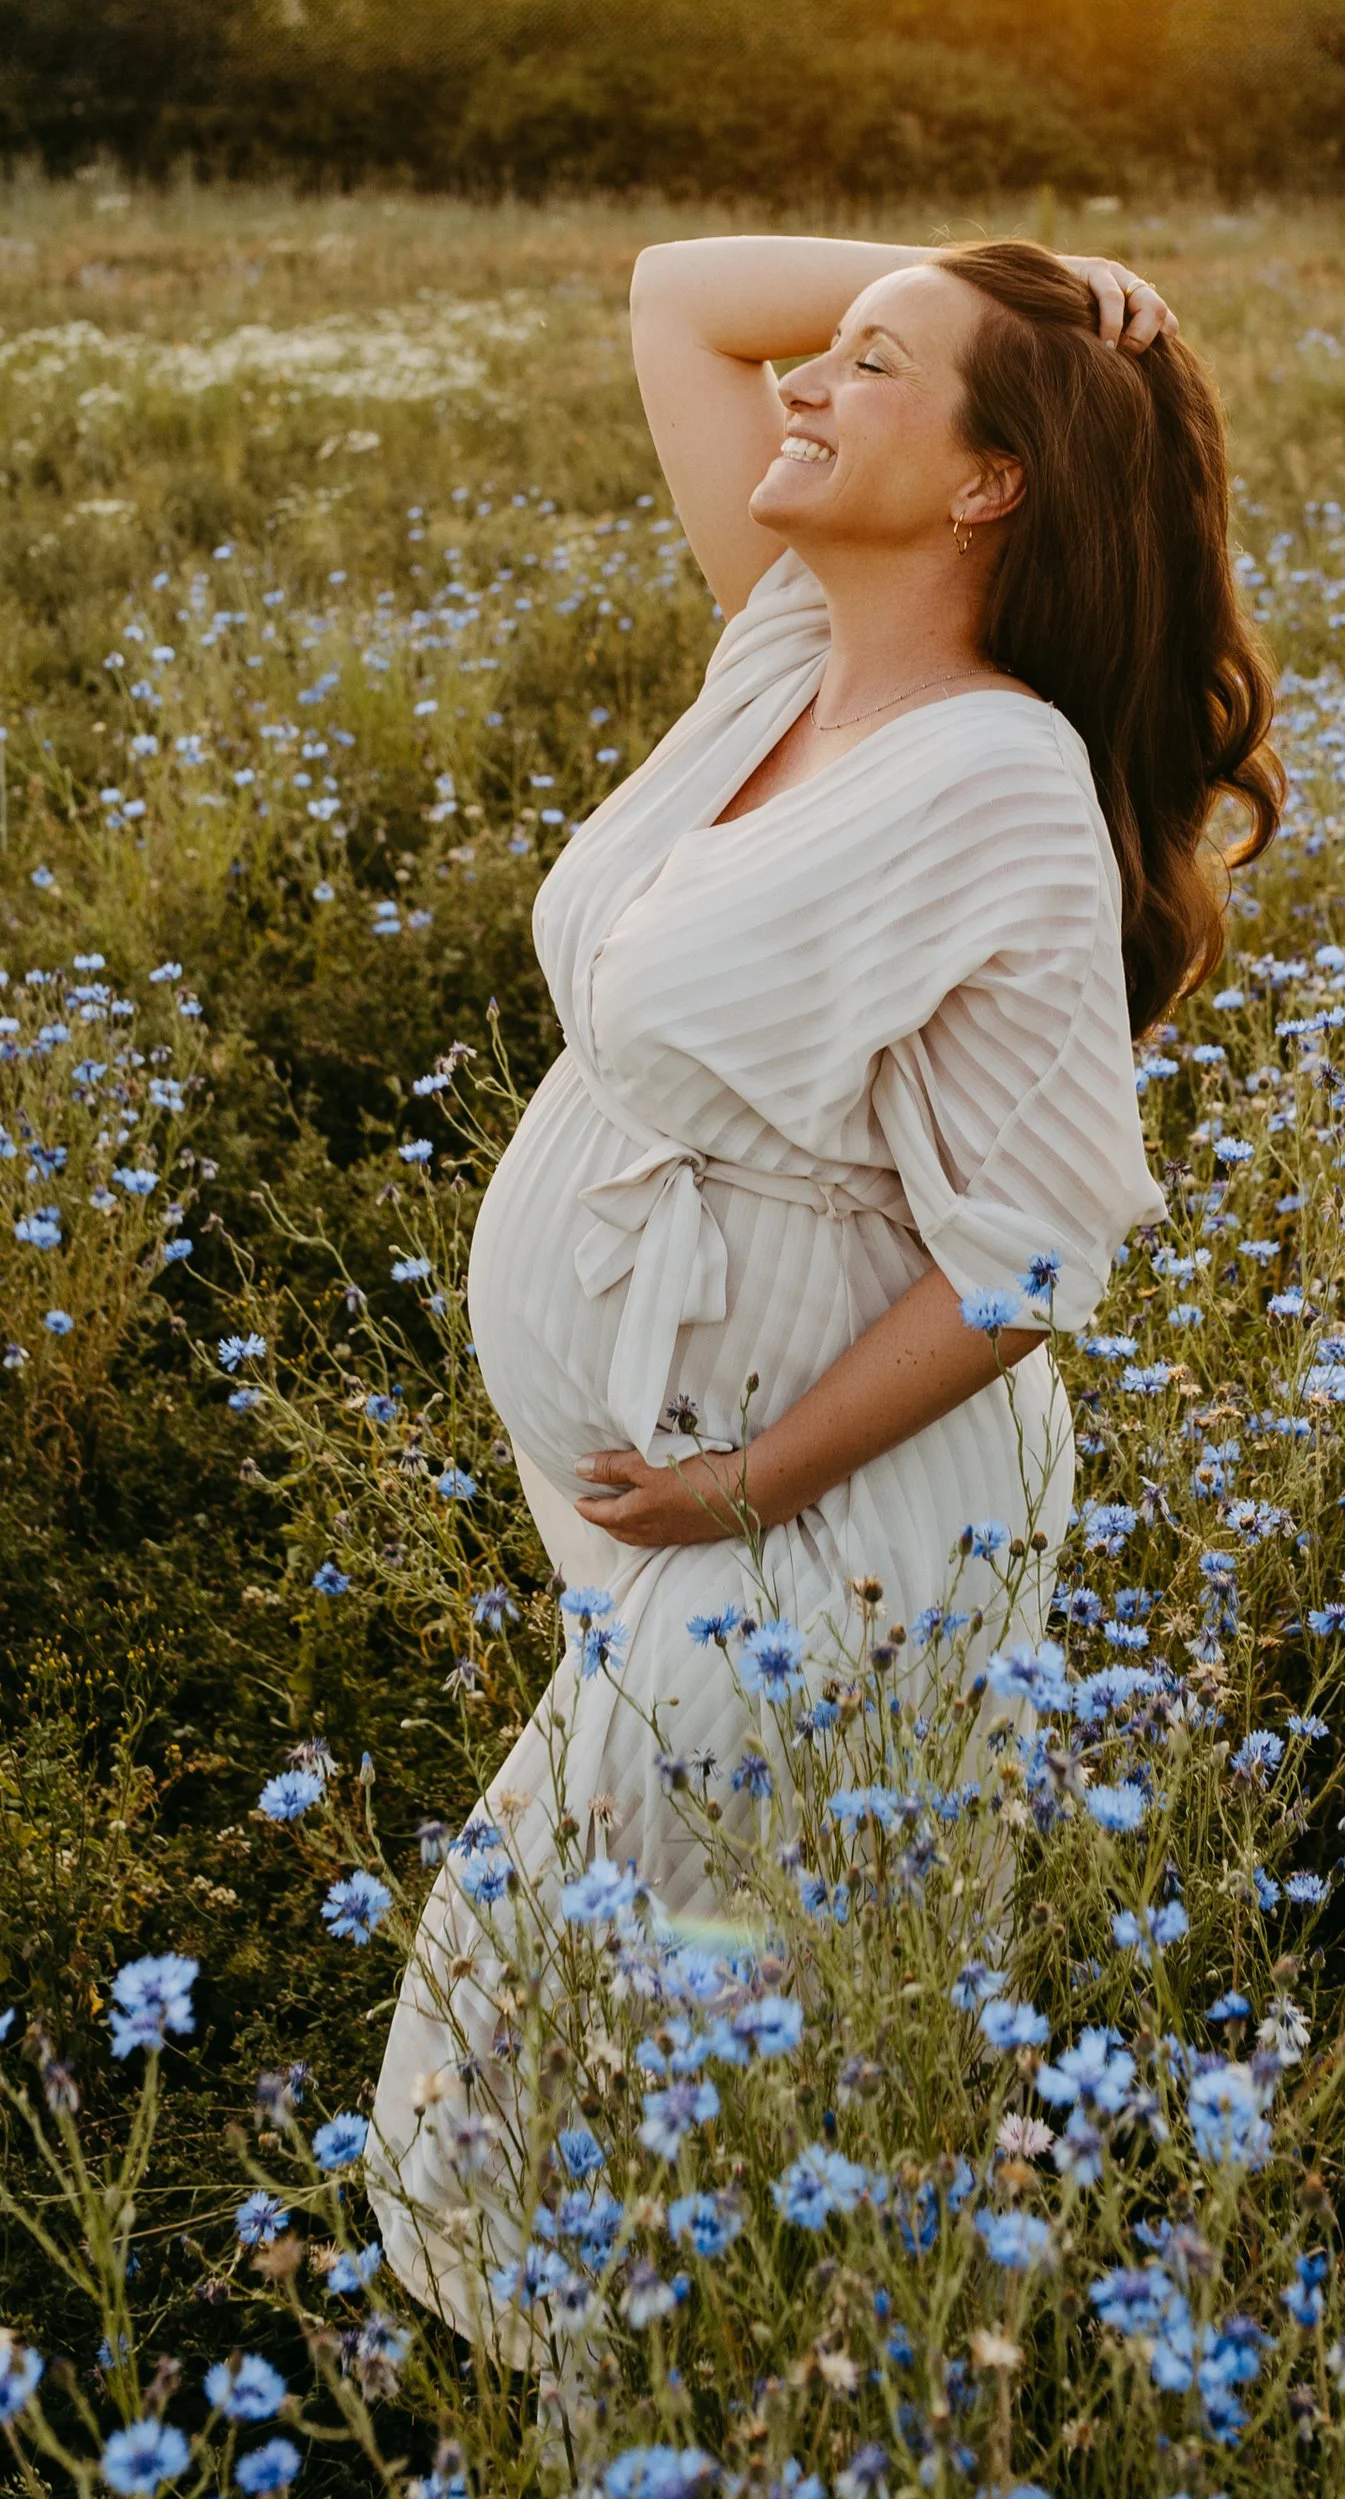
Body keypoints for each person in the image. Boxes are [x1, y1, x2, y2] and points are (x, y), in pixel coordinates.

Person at [368, 232, 1281, 2338]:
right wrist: (1008, 277)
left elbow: (1028, 1260)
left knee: (581, 1968)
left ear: (984, 486)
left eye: (868, 368)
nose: (804, 383)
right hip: (653, 1463)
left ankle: (671, 2442)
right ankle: (722, 2401)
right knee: (709, 1960)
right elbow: (682, 290)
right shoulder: (788, 649)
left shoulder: (998, 781)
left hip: (824, 1511)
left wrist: (751, 1480)